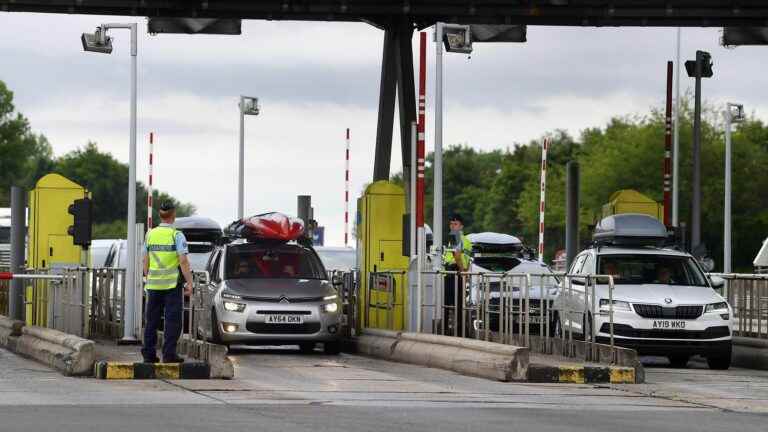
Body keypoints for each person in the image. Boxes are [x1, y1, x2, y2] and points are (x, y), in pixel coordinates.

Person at [141, 202, 194, 364]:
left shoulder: (150, 234)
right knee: (172, 321)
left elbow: (145, 259)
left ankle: (149, 355)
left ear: (160, 215)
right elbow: (183, 261)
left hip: (153, 286)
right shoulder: (176, 235)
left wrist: (147, 276)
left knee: (151, 321)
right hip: (171, 286)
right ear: (173, 215)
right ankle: (169, 354)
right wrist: (190, 282)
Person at [442, 214, 473, 335]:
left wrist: (463, 272)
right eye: (451, 224)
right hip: (458, 272)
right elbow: (468, 258)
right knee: (459, 304)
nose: (452, 226)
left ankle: (448, 331)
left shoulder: (456, 238)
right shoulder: (467, 241)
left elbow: (458, 256)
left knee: (448, 305)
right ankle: (461, 331)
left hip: (454, 272)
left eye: (455, 224)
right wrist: (465, 271)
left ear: (461, 226)